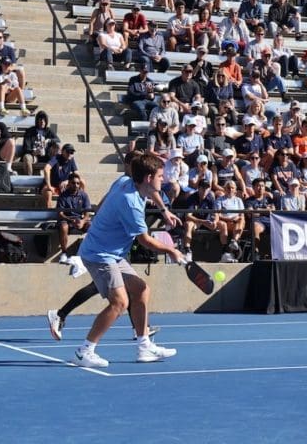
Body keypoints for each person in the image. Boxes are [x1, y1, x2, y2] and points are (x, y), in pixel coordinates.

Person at [73, 154, 182, 368]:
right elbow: (144, 240)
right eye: (160, 176)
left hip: (113, 252)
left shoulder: (126, 180)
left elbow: (154, 193)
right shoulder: (130, 202)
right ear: (149, 178)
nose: (164, 179)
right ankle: (84, 351)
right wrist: (171, 250)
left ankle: (144, 347)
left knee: (141, 290)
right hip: (99, 255)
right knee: (120, 302)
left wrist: (164, 210)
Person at [56, 172, 92, 264]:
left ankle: (90, 252)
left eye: (78, 183)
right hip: (67, 219)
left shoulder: (83, 195)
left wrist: (83, 221)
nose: (76, 185)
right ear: (69, 183)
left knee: (92, 226)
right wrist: (70, 220)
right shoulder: (63, 196)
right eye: (73, 183)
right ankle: (64, 253)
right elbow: (60, 213)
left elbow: (87, 212)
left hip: (80, 220)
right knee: (64, 226)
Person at [183, 178, 223, 259]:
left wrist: (215, 221)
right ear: (198, 188)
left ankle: (226, 252)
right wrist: (202, 221)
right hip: (196, 222)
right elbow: (188, 216)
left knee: (223, 225)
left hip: (207, 222)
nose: (205, 190)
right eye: (203, 187)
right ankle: (187, 250)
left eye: (207, 188)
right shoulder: (192, 198)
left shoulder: (210, 198)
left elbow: (216, 213)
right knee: (188, 224)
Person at [41, 143, 81, 208]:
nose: (69, 154)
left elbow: (77, 175)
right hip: (52, 185)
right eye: (68, 151)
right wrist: (49, 186)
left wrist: (68, 181)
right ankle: (49, 214)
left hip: (63, 186)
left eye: (72, 152)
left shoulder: (71, 159)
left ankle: (80, 205)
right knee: (48, 192)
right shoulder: (56, 158)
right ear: (62, 151)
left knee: (82, 182)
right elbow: (46, 169)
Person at [20, 110, 59, 176]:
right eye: (40, 120)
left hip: (46, 155)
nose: (42, 122)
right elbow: (26, 147)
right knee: (26, 157)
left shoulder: (48, 131)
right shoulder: (30, 131)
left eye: (44, 120)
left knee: (58, 148)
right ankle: (29, 178)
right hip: (33, 156)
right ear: (37, 121)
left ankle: (54, 177)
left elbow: (57, 140)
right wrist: (34, 152)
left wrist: (48, 140)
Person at [215, 179, 245, 261]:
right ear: (224, 189)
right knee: (223, 224)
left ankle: (234, 241)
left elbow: (241, 214)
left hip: (235, 223)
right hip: (224, 222)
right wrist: (229, 219)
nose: (230, 190)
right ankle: (227, 251)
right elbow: (218, 214)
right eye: (228, 188)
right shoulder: (219, 200)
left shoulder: (239, 200)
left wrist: (236, 218)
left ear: (235, 190)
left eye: (232, 188)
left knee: (242, 219)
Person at [245, 177, 275, 255]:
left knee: (280, 226)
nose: (260, 188)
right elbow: (251, 214)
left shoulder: (269, 199)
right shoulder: (249, 200)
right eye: (258, 186)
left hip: (270, 221)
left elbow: (273, 211)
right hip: (258, 221)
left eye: (262, 186)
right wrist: (266, 210)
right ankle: (255, 251)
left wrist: (258, 210)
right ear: (253, 187)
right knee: (256, 226)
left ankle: (276, 252)